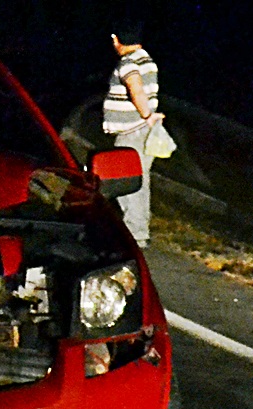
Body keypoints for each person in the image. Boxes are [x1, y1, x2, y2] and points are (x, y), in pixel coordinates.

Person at [103, 21, 163, 247]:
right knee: (139, 181)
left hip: (132, 133)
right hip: (143, 132)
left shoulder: (128, 63)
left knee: (126, 183)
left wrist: (147, 114)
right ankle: (137, 230)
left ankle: (135, 234)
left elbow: (135, 87)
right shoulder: (147, 59)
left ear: (116, 40)